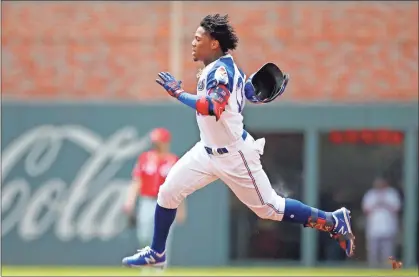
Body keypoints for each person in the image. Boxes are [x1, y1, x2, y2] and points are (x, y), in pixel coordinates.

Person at [122, 14, 355, 268]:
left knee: (270, 208)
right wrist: (248, 92)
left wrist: (178, 93)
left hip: (234, 155)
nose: (193, 42)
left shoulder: (221, 71)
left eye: (198, 38)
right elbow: (242, 93)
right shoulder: (221, 68)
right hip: (207, 151)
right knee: (167, 192)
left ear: (213, 43)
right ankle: (157, 253)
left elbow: (213, 106)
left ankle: (333, 221)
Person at [123, 127, 186, 267]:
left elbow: (178, 187)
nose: (155, 144)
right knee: (144, 235)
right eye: (154, 141)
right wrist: (130, 201)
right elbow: (137, 181)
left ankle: (160, 269)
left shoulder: (173, 160)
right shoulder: (145, 158)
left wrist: (181, 209)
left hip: (166, 203)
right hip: (147, 201)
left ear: (166, 143)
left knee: (164, 238)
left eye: (158, 141)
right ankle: (147, 261)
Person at [362, 177, 401, 268]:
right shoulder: (370, 194)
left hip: (388, 227)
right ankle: (373, 268)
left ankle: (388, 268)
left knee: (388, 251)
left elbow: (397, 209)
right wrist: (376, 204)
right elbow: (366, 210)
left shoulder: (392, 194)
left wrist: (385, 204)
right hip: (373, 228)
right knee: (373, 251)